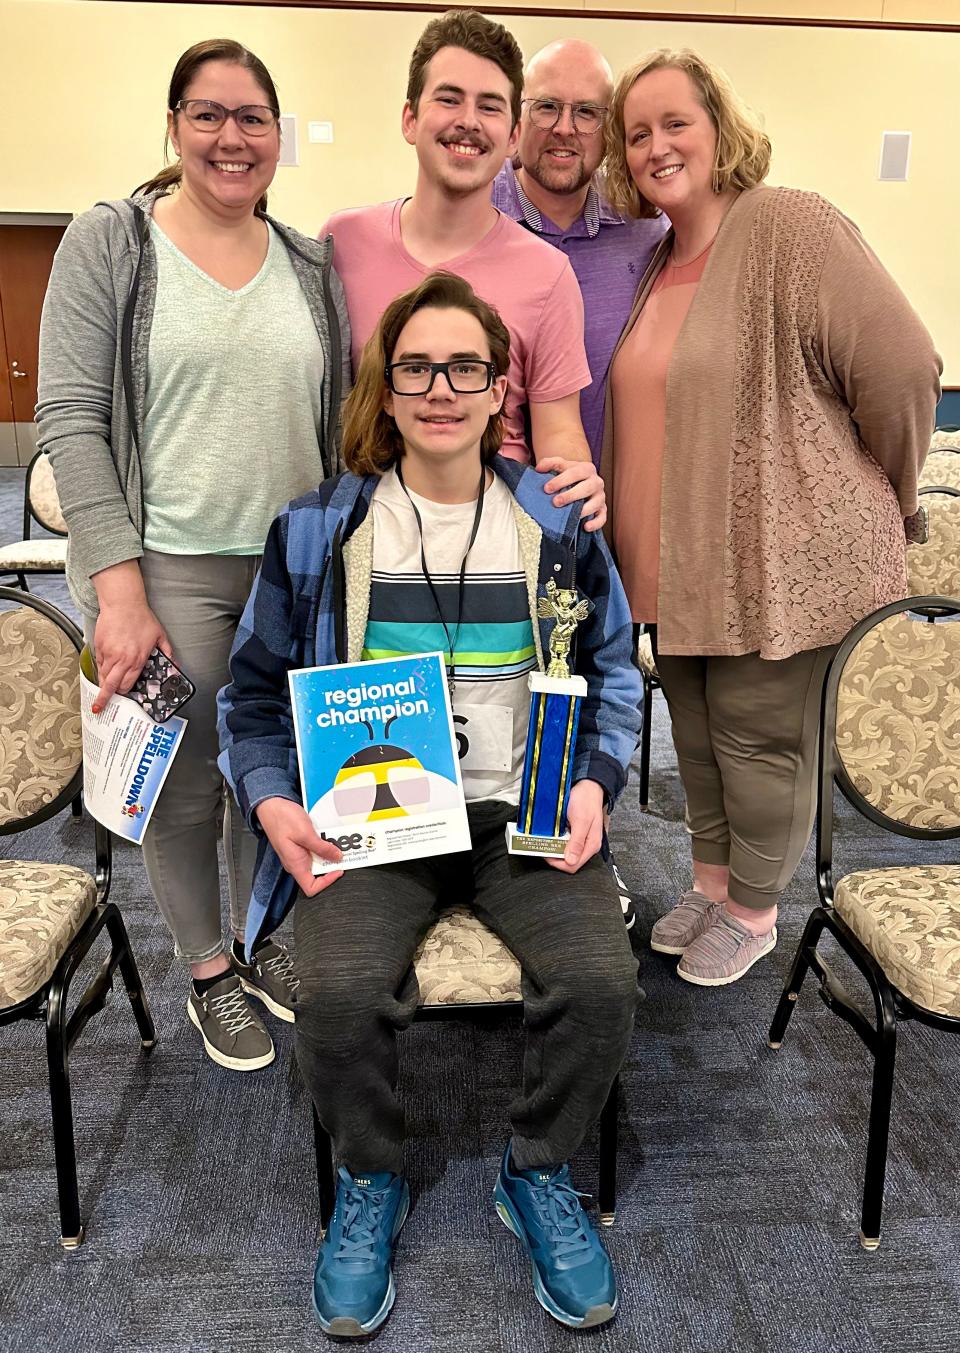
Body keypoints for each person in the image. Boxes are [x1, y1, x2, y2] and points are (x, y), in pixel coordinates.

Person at [218, 273, 641, 1336]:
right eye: (418, 366)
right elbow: (253, 695)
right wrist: (274, 806)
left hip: (521, 807)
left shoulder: (554, 522)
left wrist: (595, 781)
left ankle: (537, 1171)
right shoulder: (321, 531)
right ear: (389, 386)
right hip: (379, 816)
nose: (440, 387)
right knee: (338, 995)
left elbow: (616, 671)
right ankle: (372, 1177)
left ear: (501, 388)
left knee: (600, 983)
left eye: (465, 367)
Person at [36, 38, 351, 1070]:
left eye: (253, 117)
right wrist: (116, 586)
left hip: (292, 570)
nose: (231, 137)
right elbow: (72, 419)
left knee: (274, 768)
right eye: (208, 114)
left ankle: (261, 942)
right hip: (163, 563)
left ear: (278, 135)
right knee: (185, 782)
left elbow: (339, 421)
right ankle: (209, 967)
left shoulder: (309, 264)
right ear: (173, 126)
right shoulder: (111, 240)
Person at [601, 49, 941, 986]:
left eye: (677, 122)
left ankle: (753, 910)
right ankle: (712, 882)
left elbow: (904, 366)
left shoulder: (787, 223)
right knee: (698, 728)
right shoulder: (661, 257)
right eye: (637, 133)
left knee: (758, 735)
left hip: (775, 555)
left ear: (721, 126)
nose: (657, 145)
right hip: (674, 562)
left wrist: (881, 489)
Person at [320, 10, 607, 529]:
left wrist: (578, 477)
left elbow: (559, 432)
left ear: (514, 134)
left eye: (489, 106)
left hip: (494, 551)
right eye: (449, 98)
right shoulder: (342, 243)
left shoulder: (548, 274)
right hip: (366, 538)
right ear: (410, 118)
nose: (468, 121)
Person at [491, 39, 668, 467]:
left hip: (617, 506)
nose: (565, 128)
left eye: (587, 112)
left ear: (611, 132)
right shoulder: (473, 219)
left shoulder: (647, 228)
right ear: (518, 117)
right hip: (488, 513)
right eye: (547, 106)